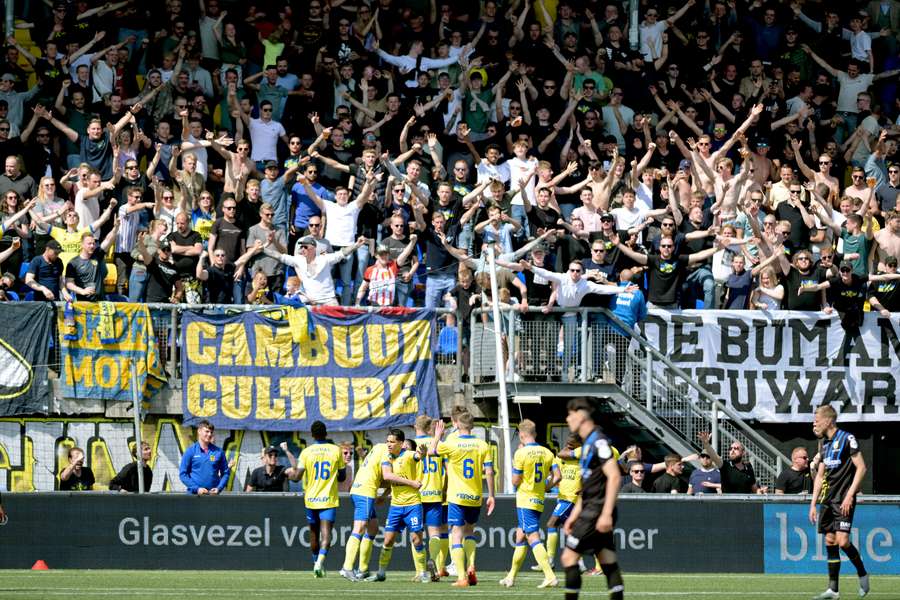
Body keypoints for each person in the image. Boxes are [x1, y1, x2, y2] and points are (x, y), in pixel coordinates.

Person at [561, 397, 624, 600]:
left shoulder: (598, 441)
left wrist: (606, 514)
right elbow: (588, 486)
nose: (568, 419)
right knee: (607, 561)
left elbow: (614, 476)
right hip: (590, 508)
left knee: (569, 557)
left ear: (581, 416)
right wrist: (573, 516)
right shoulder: (587, 443)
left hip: (596, 511)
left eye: (570, 414)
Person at [428, 411, 496, 587]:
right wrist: (492, 496)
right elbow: (489, 471)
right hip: (475, 496)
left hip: (457, 496)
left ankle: (461, 577)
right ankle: (471, 566)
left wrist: (437, 435)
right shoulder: (482, 445)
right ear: (472, 426)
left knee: (456, 535)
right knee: (470, 532)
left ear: (457, 424)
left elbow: (430, 452)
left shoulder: (452, 443)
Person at [809, 405, 869, 600]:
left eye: (817, 419)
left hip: (843, 499)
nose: (814, 423)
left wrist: (850, 494)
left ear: (828, 420)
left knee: (843, 541)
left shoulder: (847, 438)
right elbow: (820, 475)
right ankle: (833, 589)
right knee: (829, 540)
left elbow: (861, 468)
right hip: (828, 500)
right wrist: (813, 504)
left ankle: (862, 573)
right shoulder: (824, 445)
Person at [499, 419, 560, 588]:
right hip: (539, 499)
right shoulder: (547, 452)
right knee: (520, 536)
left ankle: (550, 575)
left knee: (532, 535)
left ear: (521, 435)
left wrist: (514, 468)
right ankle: (511, 577)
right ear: (535, 433)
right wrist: (546, 487)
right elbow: (558, 476)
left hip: (525, 500)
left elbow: (516, 480)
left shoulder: (520, 454)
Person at [366, 429, 430, 583]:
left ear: (401, 443)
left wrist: (423, 452)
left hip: (412, 504)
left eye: (392, 441)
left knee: (416, 539)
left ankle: (422, 572)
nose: (388, 444)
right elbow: (387, 476)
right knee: (387, 541)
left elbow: (418, 456)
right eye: (387, 441)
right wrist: (412, 483)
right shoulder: (387, 457)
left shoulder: (408, 455)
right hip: (395, 505)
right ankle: (381, 573)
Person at [287, 421, 346, 577]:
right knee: (326, 535)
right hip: (328, 499)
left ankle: (315, 564)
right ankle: (320, 562)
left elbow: (297, 477)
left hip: (311, 499)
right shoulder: (336, 450)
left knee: (313, 533)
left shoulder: (307, 452)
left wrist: (290, 475)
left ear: (312, 435)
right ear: (326, 433)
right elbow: (342, 477)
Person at [342, 436, 389, 580]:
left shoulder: (378, 447)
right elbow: (387, 477)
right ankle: (347, 567)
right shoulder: (387, 451)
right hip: (365, 491)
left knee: (373, 527)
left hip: (360, 488)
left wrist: (384, 493)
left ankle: (363, 569)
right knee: (360, 527)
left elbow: (379, 475)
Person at [413, 415, 449, 581]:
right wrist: (445, 489)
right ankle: (434, 563)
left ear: (415, 426)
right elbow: (448, 470)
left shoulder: (410, 445)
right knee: (435, 533)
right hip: (435, 493)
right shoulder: (439, 444)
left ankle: (420, 571)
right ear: (430, 428)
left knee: (416, 533)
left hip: (415, 495)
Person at [178, 419, 230, 495]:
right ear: (199, 431)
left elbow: (225, 473)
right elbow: (183, 474)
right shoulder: (190, 451)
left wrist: (219, 488)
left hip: (213, 496)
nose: (209, 434)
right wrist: (197, 488)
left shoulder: (219, 452)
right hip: (194, 496)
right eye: (207, 431)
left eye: (211, 432)